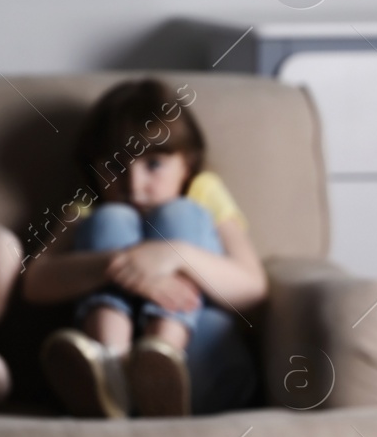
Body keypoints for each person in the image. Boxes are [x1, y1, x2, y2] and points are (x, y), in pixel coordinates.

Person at [22, 78, 266, 419]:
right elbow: (34, 282)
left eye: (153, 165)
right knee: (111, 219)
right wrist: (118, 264)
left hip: (200, 367)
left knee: (179, 213)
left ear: (188, 164)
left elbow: (253, 288)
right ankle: (112, 370)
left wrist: (174, 254)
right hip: (112, 377)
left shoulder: (202, 192)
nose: (134, 186)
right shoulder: (89, 206)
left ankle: (162, 356)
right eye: (115, 167)